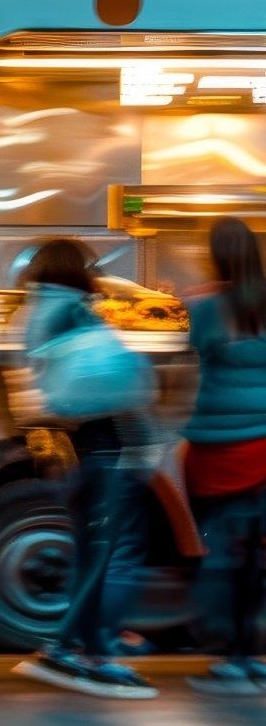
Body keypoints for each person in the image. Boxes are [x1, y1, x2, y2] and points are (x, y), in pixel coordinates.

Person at [11, 239, 157, 699]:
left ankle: (77, 645)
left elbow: (31, 393)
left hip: (67, 451)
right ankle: (89, 649)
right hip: (105, 449)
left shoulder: (30, 315)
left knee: (92, 551)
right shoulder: (76, 312)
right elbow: (118, 382)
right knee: (115, 553)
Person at [181, 217, 266, 694]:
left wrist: (198, 297)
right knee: (255, 555)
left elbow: (195, 348)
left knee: (222, 553)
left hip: (221, 445)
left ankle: (232, 656)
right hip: (264, 444)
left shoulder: (207, 308)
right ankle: (252, 655)